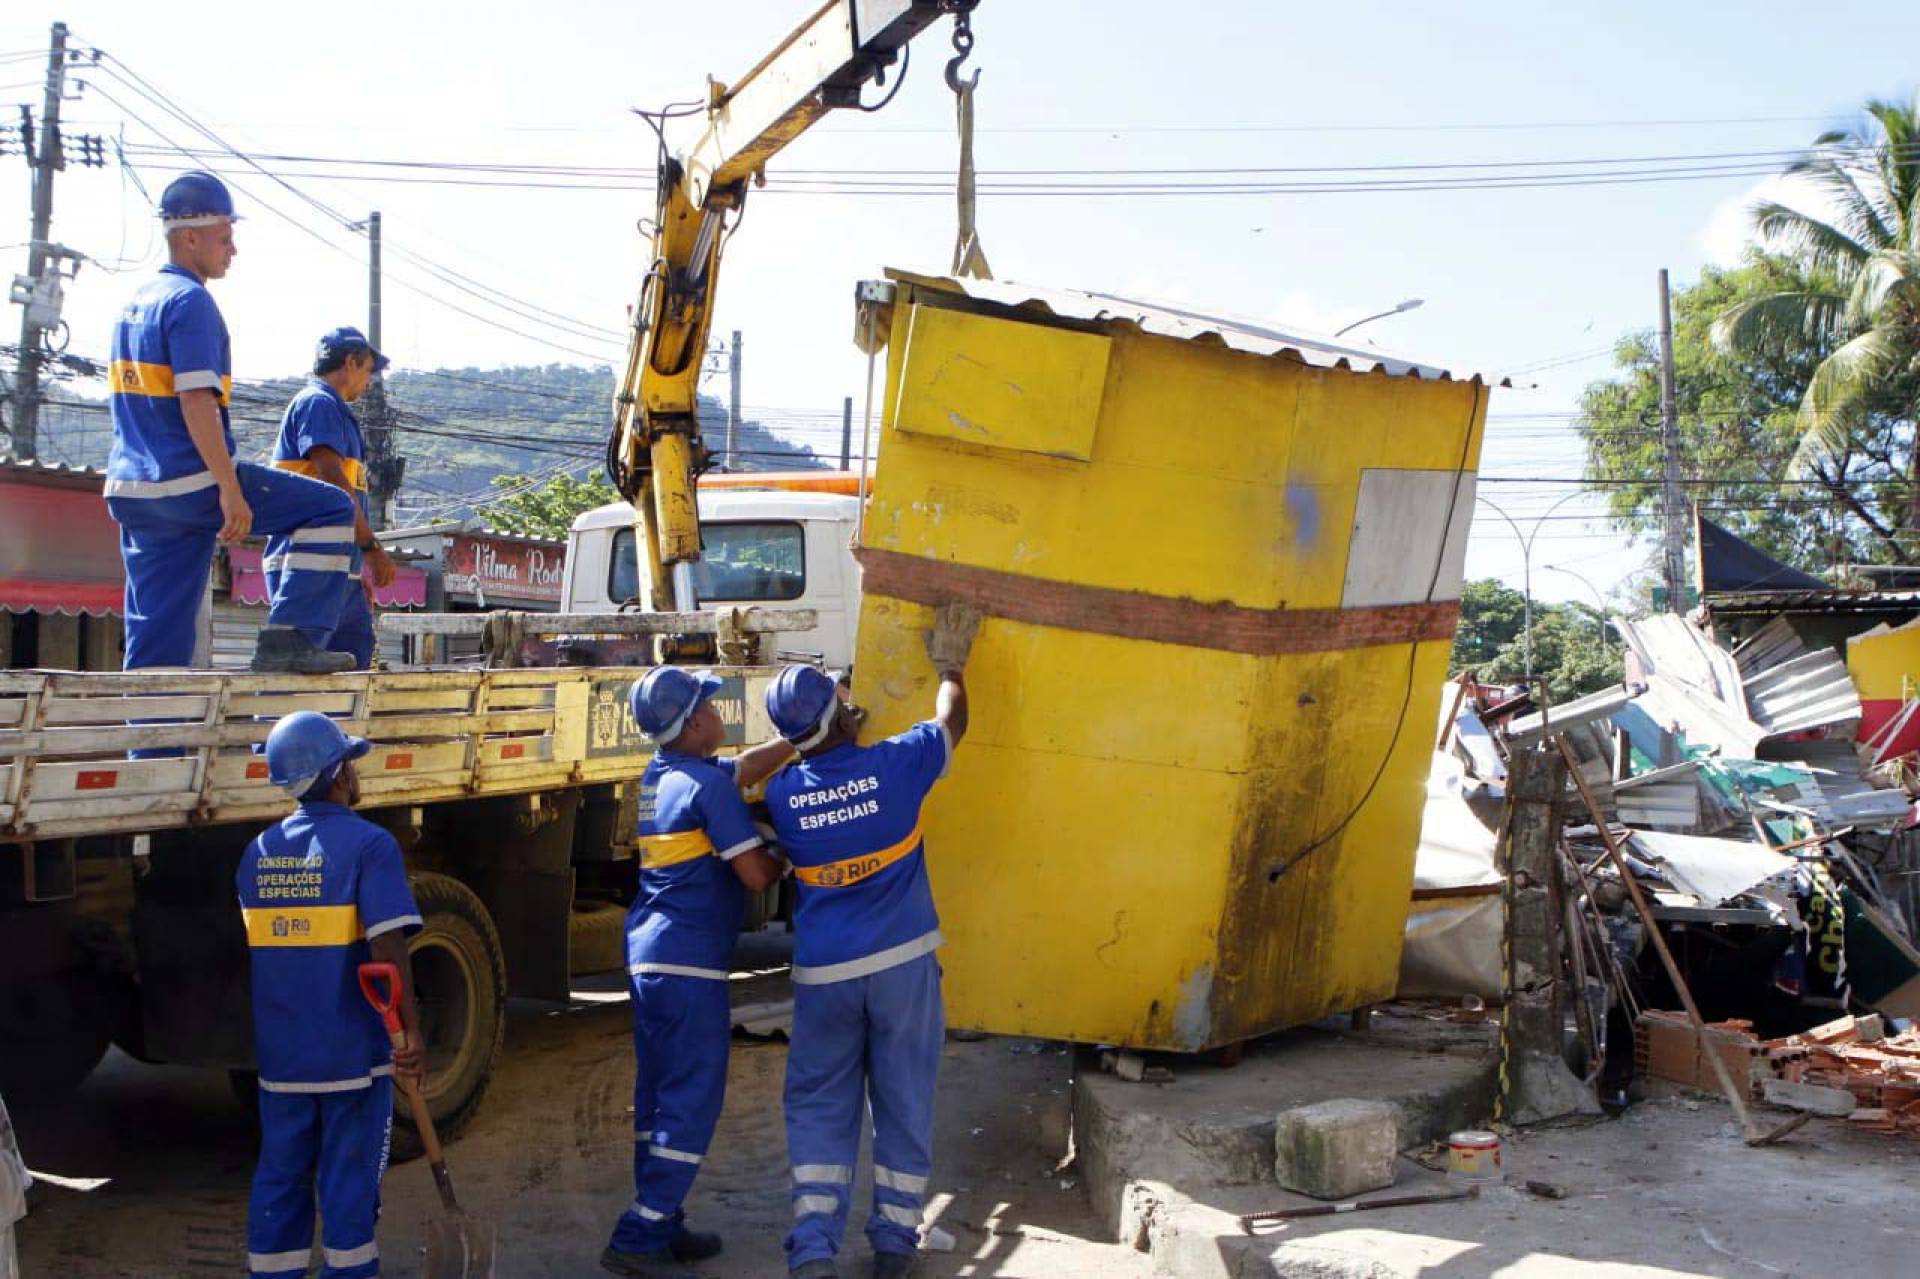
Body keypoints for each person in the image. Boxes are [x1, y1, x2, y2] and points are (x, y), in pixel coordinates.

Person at [762, 604, 979, 1279]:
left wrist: (820, 728)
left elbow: (772, 765)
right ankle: (893, 1240)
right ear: (839, 715)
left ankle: (815, 1247)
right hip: (902, 967)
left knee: (821, 1104)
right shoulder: (895, 766)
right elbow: (952, 721)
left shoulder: (784, 796)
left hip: (825, 977)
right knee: (904, 1098)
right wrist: (953, 663)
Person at [105, 170, 358, 675]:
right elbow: (196, 402)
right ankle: (291, 638)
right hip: (190, 480)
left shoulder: (136, 303)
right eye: (225, 237)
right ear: (191, 236)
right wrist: (228, 489)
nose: (233, 250)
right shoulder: (190, 302)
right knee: (332, 507)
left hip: (134, 490)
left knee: (158, 633)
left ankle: (153, 746)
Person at [603, 667, 793, 1277]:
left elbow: (742, 770)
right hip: (688, 961)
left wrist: (796, 738)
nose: (719, 713)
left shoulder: (662, 778)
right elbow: (756, 877)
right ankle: (641, 1230)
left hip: (651, 956)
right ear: (692, 724)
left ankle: (664, 1218)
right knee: (692, 1097)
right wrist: (785, 848)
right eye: (709, 706)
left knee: (659, 1093)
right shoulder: (707, 789)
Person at [238, 711, 425, 1278]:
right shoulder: (370, 845)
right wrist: (410, 1033)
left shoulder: (257, 854)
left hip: (282, 1059)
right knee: (348, 1182)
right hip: (350, 1057)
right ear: (339, 773)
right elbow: (387, 952)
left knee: (281, 1179)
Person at [271, 328, 398, 669]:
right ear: (350, 362)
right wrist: (371, 550)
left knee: (354, 662)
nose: (370, 381)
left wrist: (355, 569)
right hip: (308, 565)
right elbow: (334, 485)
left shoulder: (335, 411)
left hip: (337, 567)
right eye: (369, 369)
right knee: (294, 671)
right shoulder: (318, 403)